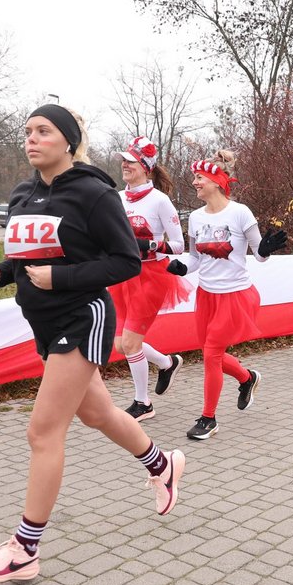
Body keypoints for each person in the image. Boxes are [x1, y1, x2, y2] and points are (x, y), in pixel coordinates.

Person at [0, 105, 185, 583]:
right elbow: (26, 258)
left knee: (43, 433)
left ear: (67, 140)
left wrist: (61, 277)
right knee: (97, 413)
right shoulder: (22, 193)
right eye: (27, 132)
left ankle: (25, 551)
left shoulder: (94, 192)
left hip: (83, 317)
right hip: (43, 324)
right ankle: (162, 464)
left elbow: (126, 262)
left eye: (43, 131)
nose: (32, 139)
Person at [166, 152, 287, 440]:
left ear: (217, 182)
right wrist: (183, 267)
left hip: (235, 296)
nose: (194, 182)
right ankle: (247, 379)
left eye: (199, 178)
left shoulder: (240, 213)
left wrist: (266, 248)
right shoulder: (195, 217)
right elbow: (196, 258)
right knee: (212, 353)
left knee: (211, 355)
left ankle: (208, 419)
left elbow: (259, 255)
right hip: (206, 296)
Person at [109, 136, 190, 422]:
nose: (124, 165)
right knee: (119, 345)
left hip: (151, 276)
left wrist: (151, 246)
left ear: (145, 167)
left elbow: (180, 245)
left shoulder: (160, 201)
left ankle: (143, 403)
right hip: (121, 276)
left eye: (131, 160)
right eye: (124, 160)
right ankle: (167, 363)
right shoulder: (117, 198)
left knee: (131, 344)